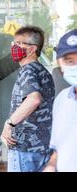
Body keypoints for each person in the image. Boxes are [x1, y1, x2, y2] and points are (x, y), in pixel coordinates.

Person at [0, 26, 55, 172]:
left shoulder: (28, 70)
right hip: (42, 146)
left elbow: (34, 99)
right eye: (14, 43)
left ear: (32, 49)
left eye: (19, 43)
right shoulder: (42, 70)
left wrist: (9, 124)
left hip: (24, 147)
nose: (14, 47)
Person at [43, 29, 77, 172]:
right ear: (60, 65)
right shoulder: (62, 100)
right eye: (69, 61)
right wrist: (51, 166)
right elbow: (58, 148)